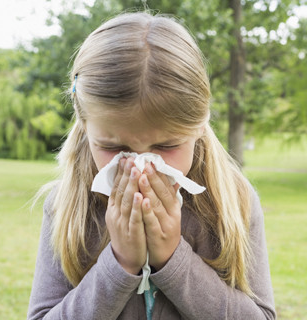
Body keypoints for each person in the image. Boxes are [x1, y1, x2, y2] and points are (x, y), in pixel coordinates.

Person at [27, 12, 276, 320]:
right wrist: (119, 263)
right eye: (114, 147)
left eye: (167, 146)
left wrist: (173, 258)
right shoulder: (66, 205)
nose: (141, 168)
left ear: (200, 124)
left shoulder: (234, 200)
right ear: (85, 125)